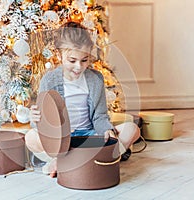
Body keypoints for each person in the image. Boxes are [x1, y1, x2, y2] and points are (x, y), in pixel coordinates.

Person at [25, 22, 140, 177]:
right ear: (59, 55)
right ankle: (87, 160)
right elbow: (43, 121)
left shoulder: (95, 79)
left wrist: (107, 130)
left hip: (89, 137)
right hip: (61, 141)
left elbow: (100, 116)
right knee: (30, 137)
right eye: (72, 61)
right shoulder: (49, 80)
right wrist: (35, 119)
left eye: (84, 60)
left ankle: (73, 161)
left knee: (132, 129)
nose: (79, 67)